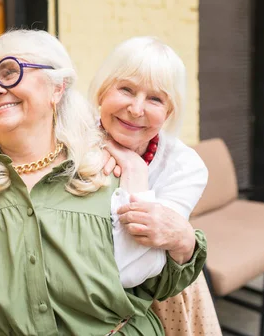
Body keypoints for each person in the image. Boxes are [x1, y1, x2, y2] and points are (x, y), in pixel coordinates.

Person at [0, 29, 208, 335]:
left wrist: (183, 239)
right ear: (102, 94)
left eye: (10, 72)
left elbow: (144, 272)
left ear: (57, 88)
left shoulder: (168, 167)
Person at [90, 36, 222, 335]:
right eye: (125, 89)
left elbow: (135, 266)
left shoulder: (185, 166)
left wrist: (133, 168)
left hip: (158, 297)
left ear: (169, 111)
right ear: (102, 92)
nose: (136, 109)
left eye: (155, 99)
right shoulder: (69, 140)